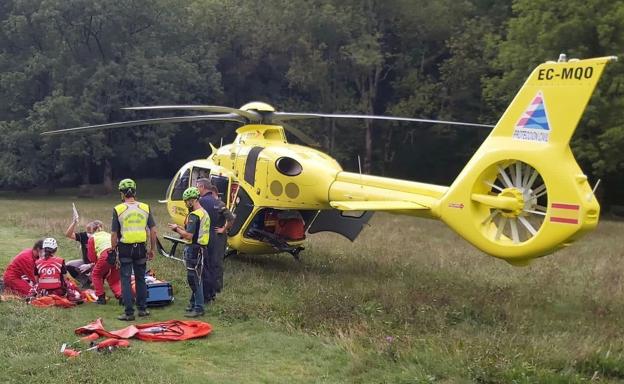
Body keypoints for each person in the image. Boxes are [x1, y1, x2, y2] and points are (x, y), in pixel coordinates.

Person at [109, 179, 157, 321]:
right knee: (140, 278)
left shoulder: (118, 209)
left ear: (122, 194)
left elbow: (114, 234)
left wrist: (113, 251)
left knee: (125, 279)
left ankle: (129, 313)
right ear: (135, 192)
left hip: (125, 248)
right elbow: (153, 231)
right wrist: (152, 249)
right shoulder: (145, 207)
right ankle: (142, 309)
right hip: (141, 248)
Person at [168, 187, 210, 317]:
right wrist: (182, 228)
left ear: (192, 200)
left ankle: (198, 308)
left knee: (193, 279)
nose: (186, 204)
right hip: (201, 248)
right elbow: (196, 231)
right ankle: (193, 303)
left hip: (194, 249)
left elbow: (189, 236)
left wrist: (176, 229)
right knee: (197, 277)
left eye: (187, 201)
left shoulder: (194, 215)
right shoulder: (204, 213)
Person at [196, 178, 235, 302]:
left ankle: (206, 292)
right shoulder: (219, 203)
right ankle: (216, 290)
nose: (197, 190)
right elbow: (231, 218)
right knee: (216, 264)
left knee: (205, 264)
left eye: (197, 187)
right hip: (218, 237)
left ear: (202, 187)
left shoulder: (199, 202)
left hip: (205, 235)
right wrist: (224, 229)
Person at [87, 222, 121, 304]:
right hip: (117, 255)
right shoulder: (108, 234)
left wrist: (97, 265)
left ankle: (101, 298)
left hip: (106, 255)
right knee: (114, 280)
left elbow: (92, 257)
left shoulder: (92, 238)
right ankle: (122, 296)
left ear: (91, 231)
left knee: (96, 274)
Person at [65, 218, 102, 288]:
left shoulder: (101, 238)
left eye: (91, 233)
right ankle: (85, 281)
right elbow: (68, 234)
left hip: (98, 264)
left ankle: (97, 280)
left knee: (94, 286)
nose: (89, 235)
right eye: (88, 232)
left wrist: (91, 266)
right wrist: (74, 222)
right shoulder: (84, 236)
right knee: (68, 265)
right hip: (86, 262)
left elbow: (103, 259)